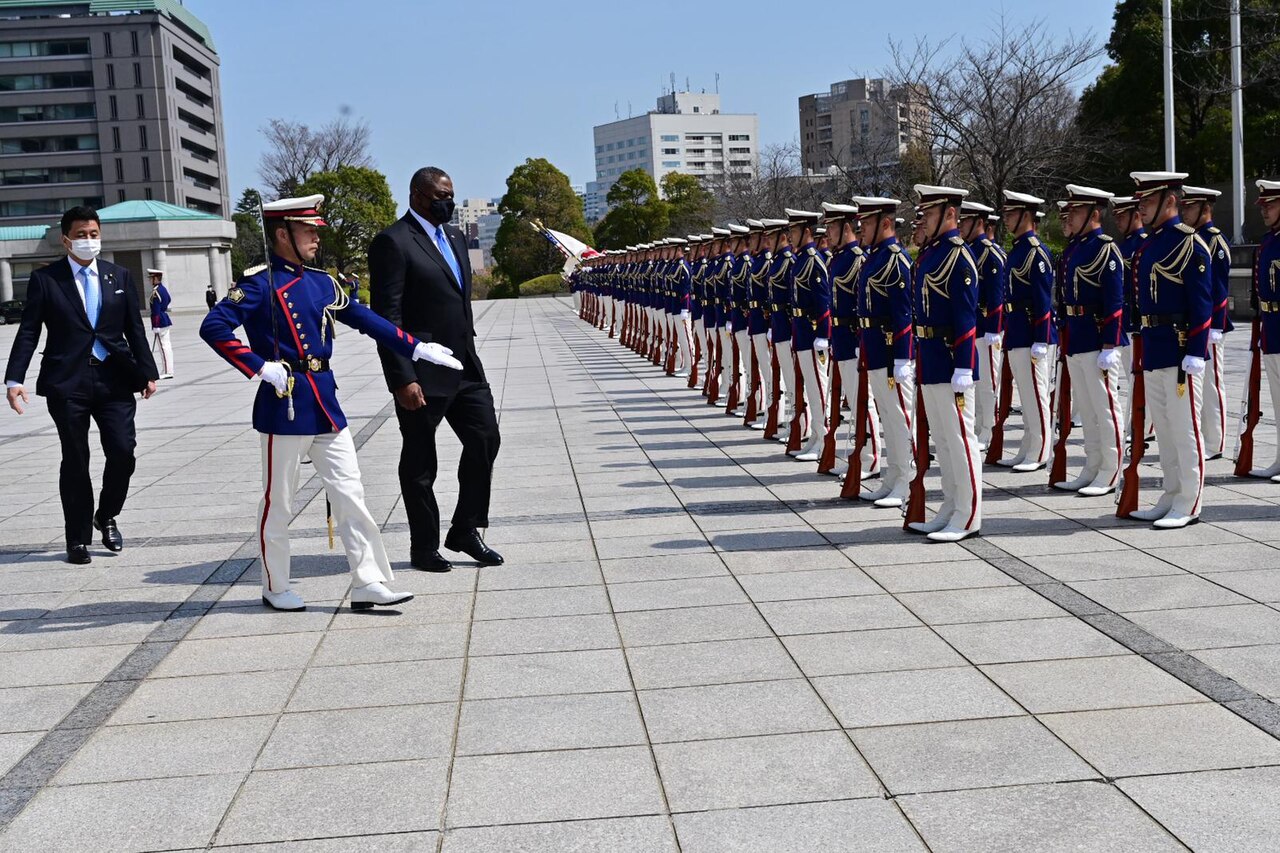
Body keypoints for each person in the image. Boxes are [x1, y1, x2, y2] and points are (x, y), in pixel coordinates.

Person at [201, 194, 459, 611]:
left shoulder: (321, 282)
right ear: (282, 234)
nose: (315, 239)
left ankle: (368, 581)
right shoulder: (258, 284)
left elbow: (366, 318)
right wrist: (258, 366)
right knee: (279, 503)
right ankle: (275, 584)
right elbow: (213, 326)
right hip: (283, 406)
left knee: (351, 494)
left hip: (324, 403)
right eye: (307, 231)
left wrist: (416, 348)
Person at [5, 205, 159, 564]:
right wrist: (15, 378)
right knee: (75, 458)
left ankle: (106, 515)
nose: (89, 241)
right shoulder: (47, 280)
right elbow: (29, 331)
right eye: (81, 235)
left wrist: (147, 373)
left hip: (115, 378)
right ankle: (76, 537)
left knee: (123, 452)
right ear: (66, 239)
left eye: (93, 234)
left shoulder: (118, 277)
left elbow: (135, 330)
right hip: (68, 381)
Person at [368, 167, 504, 572]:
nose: (448, 202)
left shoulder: (457, 238)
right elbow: (386, 317)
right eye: (441, 195)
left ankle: (465, 529)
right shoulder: (393, 242)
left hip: (464, 366)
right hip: (422, 372)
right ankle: (423, 546)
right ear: (417, 196)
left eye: (451, 194)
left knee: (485, 440)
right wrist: (402, 377)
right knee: (421, 462)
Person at [1125, 171, 1211, 529]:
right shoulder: (1149, 244)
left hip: (1178, 349)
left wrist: (1195, 348)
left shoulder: (1190, 244)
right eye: (1141, 202)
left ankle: (1189, 500)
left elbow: (1203, 303)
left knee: (1184, 428)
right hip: (1155, 347)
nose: (1141, 208)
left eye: (1147, 201)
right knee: (1163, 427)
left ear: (1170, 201)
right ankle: (1170, 493)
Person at [906, 185, 982, 542]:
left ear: (950, 214)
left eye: (930, 213)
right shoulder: (931, 255)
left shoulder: (957, 257)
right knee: (944, 441)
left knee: (960, 439)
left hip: (952, 360)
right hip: (931, 357)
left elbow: (966, 317)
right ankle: (951, 506)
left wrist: (964, 366)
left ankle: (969, 515)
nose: (924, 219)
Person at [1054, 185, 1127, 496]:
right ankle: (1092, 465)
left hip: (1098, 339)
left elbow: (1115, 300)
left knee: (1105, 408)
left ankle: (1110, 470)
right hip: (1077, 335)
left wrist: (1110, 344)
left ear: (1095, 214)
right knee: (1086, 405)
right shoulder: (1074, 248)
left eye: (1078, 211)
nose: (1071, 215)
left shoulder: (1105, 249)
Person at [853, 195, 916, 505]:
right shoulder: (874, 256)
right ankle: (893, 476)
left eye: (866, 222)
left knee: (900, 418)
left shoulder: (896, 259)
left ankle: (906, 482)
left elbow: (904, 313)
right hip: (876, 349)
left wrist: (903, 356)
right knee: (887, 418)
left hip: (892, 353)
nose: (860, 228)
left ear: (886, 223)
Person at [995, 190, 1056, 472]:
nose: (1006, 219)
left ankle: (1041, 450)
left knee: (1036, 394)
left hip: (1032, 333)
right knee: (1026, 394)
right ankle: (1029, 445)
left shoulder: (1035, 252)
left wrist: (1041, 339)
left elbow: (1043, 300)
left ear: (1026, 216)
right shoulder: (1018, 249)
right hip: (1017, 331)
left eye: (1011, 214)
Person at [1180, 185, 1232, 459]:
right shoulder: (1191, 239)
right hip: (1194, 324)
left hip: (1210, 326)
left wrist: (1215, 327)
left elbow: (1220, 289)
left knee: (1211, 385)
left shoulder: (1214, 241)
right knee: (1198, 386)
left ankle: (1215, 441)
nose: (1184, 211)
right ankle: (1202, 435)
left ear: (1205, 208)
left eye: (1189, 206)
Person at [959, 202, 1004, 449]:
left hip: (986, 327)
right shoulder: (967, 250)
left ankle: (989, 429)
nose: (961, 225)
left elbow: (997, 295)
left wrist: (994, 329)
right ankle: (977, 426)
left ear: (979, 223)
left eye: (966, 221)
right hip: (973, 326)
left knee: (988, 382)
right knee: (975, 382)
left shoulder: (989, 252)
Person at [1248, 179, 1280, 479]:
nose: (1265, 211)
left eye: (1271, 205)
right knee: (1277, 397)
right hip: (1271, 326)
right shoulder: (1269, 241)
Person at [148, 268, 174, 380]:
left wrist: (156, 325)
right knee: (166, 346)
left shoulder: (156, 291)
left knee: (164, 347)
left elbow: (156, 310)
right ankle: (167, 369)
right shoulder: (162, 289)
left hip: (160, 321)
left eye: (151, 278)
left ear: (155, 279)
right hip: (165, 318)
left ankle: (168, 371)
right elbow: (168, 299)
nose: (149, 281)